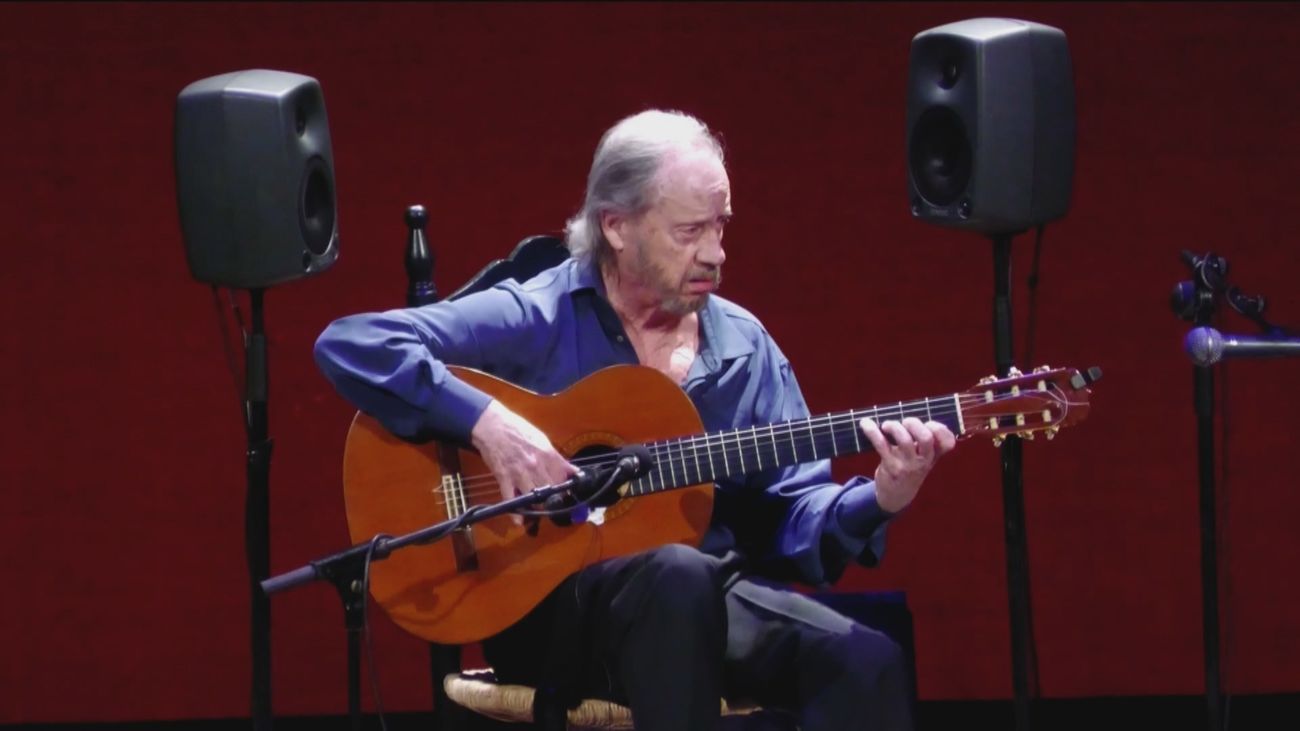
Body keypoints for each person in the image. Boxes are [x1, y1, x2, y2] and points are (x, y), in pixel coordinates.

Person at [314, 109, 956, 731]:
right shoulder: (538, 314)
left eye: (721, 226)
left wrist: (881, 497)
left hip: (703, 602)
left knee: (865, 662)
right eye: (689, 232)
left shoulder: (743, 346)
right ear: (617, 227)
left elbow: (793, 513)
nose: (716, 254)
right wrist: (488, 423)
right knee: (678, 575)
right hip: (549, 614)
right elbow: (353, 344)